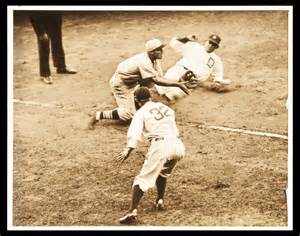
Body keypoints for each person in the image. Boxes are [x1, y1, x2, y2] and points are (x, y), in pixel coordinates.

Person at [115, 87, 186, 224]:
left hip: (161, 145)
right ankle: (160, 200)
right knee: (163, 173)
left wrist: (128, 150)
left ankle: (132, 211)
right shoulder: (165, 108)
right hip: (177, 145)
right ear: (150, 97)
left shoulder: (140, 113)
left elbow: (134, 133)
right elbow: (173, 127)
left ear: (137, 100)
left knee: (142, 179)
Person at [87, 38, 189, 129]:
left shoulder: (154, 60)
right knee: (129, 115)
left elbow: (160, 78)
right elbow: (157, 81)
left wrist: (179, 80)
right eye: (159, 49)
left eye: (161, 48)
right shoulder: (144, 62)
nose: (162, 51)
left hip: (133, 82)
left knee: (150, 84)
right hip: (121, 85)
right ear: (152, 52)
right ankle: (97, 115)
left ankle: (133, 99)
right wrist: (178, 84)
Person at [155, 34, 232, 100]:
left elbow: (218, 79)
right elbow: (174, 43)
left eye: (214, 44)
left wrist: (222, 83)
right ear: (206, 41)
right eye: (210, 42)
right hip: (178, 71)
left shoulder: (217, 61)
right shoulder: (194, 46)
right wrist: (186, 38)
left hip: (191, 82)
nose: (211, 45)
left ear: (216, 47)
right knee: (159, 89)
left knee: (170, 97)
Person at [29, 11, 77, 84]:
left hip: (54, 13)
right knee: (44, 39)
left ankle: (61, 67)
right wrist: (38, 28)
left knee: (57, 38)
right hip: (39, 14)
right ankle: (44, 74)